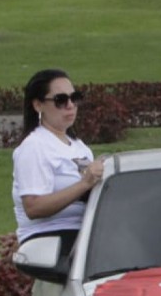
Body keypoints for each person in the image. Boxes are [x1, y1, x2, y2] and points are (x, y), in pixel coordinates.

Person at [12, 69, 104, 254]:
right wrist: (84, 184)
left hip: (83, 232)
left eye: (74, 98)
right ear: (38, 105)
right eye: (60, 100)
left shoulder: (79, 147)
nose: (70, 105)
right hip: (50, 238)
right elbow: (34, 207)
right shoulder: (34, 146)